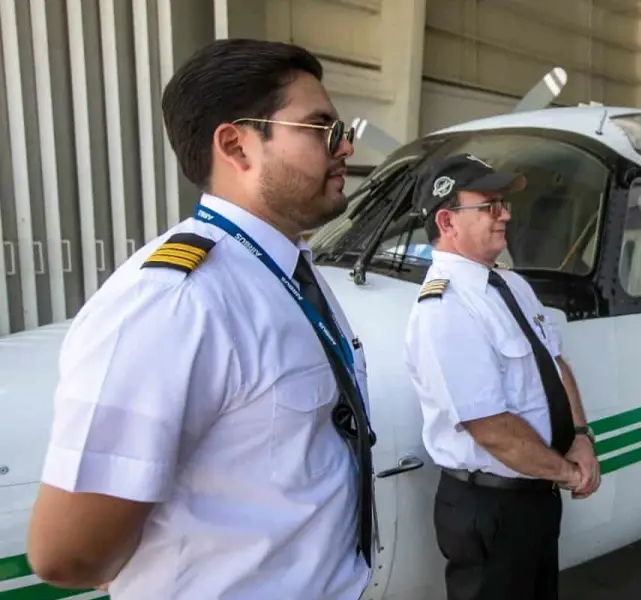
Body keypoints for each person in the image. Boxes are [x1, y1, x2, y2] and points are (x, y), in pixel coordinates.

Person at [25, 39, 375, 599]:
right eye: (320, 128)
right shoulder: (177, 301)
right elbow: (67, 553)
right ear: (236, 145)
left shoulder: (285, 272)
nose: (346, 145)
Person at [403, 153, 602, 600]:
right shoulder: (445, 308)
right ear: (447, 221)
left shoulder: (512, 286)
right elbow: (491, 429)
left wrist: (581, 436)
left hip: (535, 496)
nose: (506, 214)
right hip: (489, 508)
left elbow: (556, 363)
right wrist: (567, 473)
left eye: (503, 205)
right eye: (490, 206)